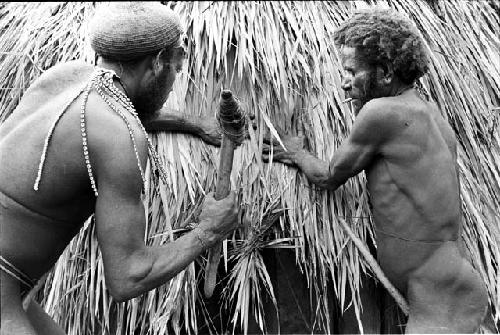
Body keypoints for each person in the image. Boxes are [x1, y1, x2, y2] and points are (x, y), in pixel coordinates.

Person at [0, 3, 239, 334]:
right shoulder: (120, 137)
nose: (173, 79)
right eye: (176, 67)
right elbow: (127, 277)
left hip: (12, 289)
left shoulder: (64, 79)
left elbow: (124, 110)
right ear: (157, 63)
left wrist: (193, 123)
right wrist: (209, 231)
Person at [263, 8, 488, 333]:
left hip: (438, 294)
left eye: (352, 71)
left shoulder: (381, 113)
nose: (343, 83)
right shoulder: (430, 113)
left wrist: (295, 152)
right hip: (450, 283)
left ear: (384, 73)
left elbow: (328, 176)